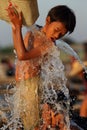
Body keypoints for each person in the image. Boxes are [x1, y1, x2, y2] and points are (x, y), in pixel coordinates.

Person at [6, 2, 76, 130]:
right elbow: (19, 47)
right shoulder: (34, 29)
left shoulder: (49, 45)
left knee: (32, 125)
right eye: (56, 30)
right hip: (23, 86)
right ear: (47, 20)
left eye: (61, 34)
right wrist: (14, 24)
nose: (56, 36)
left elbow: (22, 55)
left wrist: (16, 26)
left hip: (32, 87)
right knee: (26, 123)